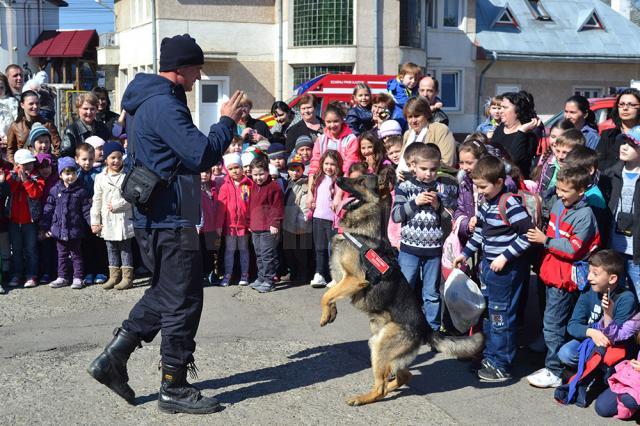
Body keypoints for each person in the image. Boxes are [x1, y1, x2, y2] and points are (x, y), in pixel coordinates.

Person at [88, 34, 244, 415]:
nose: (199, 75)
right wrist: (226, 121)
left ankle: (114, 358)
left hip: (157, 219)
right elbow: (202, 153)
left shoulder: (149, 100)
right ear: (180, 68)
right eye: (196, 68)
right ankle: (173, 387)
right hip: (170, 221)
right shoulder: (164, 105)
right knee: (183, 302)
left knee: (167, 293)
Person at [453, 155, 532, 382]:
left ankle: (502, 364)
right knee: (488, 314)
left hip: (504, 271)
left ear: (499, 182)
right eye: (476, 186)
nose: (479, 191)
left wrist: (505, 257)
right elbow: (480, 233)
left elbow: (529, 235)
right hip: (487, 267)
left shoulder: (509, 203)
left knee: (501, 317)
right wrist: (465, 254)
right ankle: (490, 356)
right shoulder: (487, 203)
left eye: (483, 187)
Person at [525, 166, 601, 388]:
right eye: (558, 188)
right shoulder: (560, 204)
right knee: (554, 321)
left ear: (581, 191)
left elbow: (572, 249)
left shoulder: (585, 216)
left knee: (553, 323)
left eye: (565, 191)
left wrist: (545, 241)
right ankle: (556, 364)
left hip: (566, 276)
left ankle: (554, 370)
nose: (559, 194)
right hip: (552, 271)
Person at [392, 143, 457, 331]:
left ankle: (433, 330)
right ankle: (400, 326)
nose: (429, 173)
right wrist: (415, 202)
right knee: (405, 289)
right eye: (424, 169)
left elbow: (448, 220)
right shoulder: (404, 187)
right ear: (413, 166)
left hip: (433, 251)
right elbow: (396, 215)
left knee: (431, 293)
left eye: (433, 169)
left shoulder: (441, 189)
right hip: (409, 250)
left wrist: (438, 206)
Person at [561, 250, 636, 371]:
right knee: (566, 352)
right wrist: (591, 332)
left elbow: (615, 337)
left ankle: (602, 373)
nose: (589, 277)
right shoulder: (589, 290)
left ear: (612, 279)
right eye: (589, 271)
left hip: (612, 345)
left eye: (595, 274)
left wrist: (607, 314)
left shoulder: (626, 298)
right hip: (592, 338)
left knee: (606, 357)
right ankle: (592, 371)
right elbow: (572, 325)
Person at [600, 127, 640, 301]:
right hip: (614, 249)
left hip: (637, 254)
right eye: (623, 142)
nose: (624, 147)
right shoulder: (610, 175)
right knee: (613, 298)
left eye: (631, 145)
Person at [40, 156, 92, 289]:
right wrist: (44, 226)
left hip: (75, 229)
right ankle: (62, 276)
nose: (71, 176)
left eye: (73, 173)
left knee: (76, 255)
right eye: (67, 173)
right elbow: (49, 209)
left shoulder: (81, 191)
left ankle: (78, 277)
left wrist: (92, 223)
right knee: (61, 255)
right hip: (59, 229)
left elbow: (86, 210)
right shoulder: (55, 190)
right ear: (61, 175)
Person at [90, 142, 135, 290]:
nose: (116, 161)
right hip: (108, 220)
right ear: (106, 160)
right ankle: (114, 276)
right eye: (112, 158)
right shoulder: (100, 177)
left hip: (123, 218)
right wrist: (95, 221)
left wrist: (118, 205)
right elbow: (97, 200)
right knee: (111, 248)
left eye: (119, 157)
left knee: (125, 248)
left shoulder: (127, 175)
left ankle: (127, 277)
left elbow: (132, 196)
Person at [6, 149, 44, 288]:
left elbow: (35, 193)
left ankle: (31, 275)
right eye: (24, 164)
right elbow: (8, 191)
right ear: (17, 165)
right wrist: (18, 178)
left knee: (31, 250)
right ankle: (16, 274)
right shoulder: (11, 176)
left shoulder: (36, 177)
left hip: (30, 221)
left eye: (30, 164)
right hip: (14, 221)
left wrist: (26, 180)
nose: (28, 167)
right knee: (16, 249)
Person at [247, 155, 284, 293]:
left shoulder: (273, 187)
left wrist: (275, 223)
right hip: (256, 227)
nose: (258, 178)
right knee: (259, 254)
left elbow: (277, 207)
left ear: (268, 172)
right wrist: (249, 222)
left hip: (268, 228)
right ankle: (261, 277)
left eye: (261, 174)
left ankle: (269, 280)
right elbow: (251, 206)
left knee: (268, 255)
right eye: (255, 175)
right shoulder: (254, 186)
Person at [215, 152, 251, 287]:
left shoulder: (248, 185)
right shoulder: (224, 187)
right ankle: (227, 275)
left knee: (244, 250)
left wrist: (249, 222)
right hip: (229, 226)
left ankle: (244, 275)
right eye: (230, 169)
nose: (234, 171)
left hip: (243, 226)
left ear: (242, 168)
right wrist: (219, 225)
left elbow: (250, 205)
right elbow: (220, 208)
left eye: (237, 167)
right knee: (229, 251)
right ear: (227, 171)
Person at [309, 150, 342, 288]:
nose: (329, 167)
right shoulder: (318, 177)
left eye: (333, 164)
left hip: (332, 220)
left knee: (334, 249)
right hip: (318, 218)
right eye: (326, 163)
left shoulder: (339, 180)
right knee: (320, 248)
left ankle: (336, 276)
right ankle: (319, 273)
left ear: (338, 165)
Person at [397, 97, 456, 171]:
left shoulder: (440, 130)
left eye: (417, 116)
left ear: (426, 114)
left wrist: (421, 171)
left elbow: (448, 163)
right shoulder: (407, 134)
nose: (413, 120)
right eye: (410, 117)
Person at [307, 102, 358, 188]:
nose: (332, 125)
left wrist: (338, 194)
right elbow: (314, 166)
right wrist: (310, 193)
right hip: (323, 183)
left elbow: (348, 167)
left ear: (342, 119)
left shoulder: (351, 139)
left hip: (344, 183)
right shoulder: (321, 140)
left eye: (336, 121)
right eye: (328, 122)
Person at [491, 91, 539, 179]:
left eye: (505, 107)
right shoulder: (500, 129)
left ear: (517, 111)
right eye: (500, 107)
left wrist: (521, 132)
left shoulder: (528, 137)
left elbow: (514, 160)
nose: (500, 111)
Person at [6, 90, 61, 163]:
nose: (35, 106)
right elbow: (10, 150)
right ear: (22, 105)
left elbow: (58, 147)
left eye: (37, 103)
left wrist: (51, 163)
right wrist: (15, 166)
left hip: (44, 168)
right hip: (24, 168)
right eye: (31, 104)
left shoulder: (48, 124)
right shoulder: (15, 126)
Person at [282, 154, 312, 284]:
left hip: (301, 224)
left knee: (302, 253)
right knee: (290, 251)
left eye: (298, 169)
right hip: (289, 223)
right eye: (292, 169)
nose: (295, 172)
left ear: (302, 170)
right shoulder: (289, 183)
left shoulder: (305, 185)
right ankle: (293, 273)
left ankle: (303, 274)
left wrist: (303, 222)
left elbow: (305, 206)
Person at [596, 88, 640, 171]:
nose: (625, 108)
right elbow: (598, 162)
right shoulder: (608, 135)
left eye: (630, 105)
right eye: (621, 104)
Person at [60, 92, 110, 158]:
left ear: (96, 110)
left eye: (92, 109)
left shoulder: (102, 127)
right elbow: (66, 156)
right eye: (85, 109)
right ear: (78, 109)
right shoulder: (71, 130)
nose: (89, 112)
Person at [36, 153, 57, 284]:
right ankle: (46, 272)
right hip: (41, 218)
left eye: (47, 166)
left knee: (55, 248)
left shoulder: (56, 180)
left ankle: (56, 272)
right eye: (41, 167)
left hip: (55, 218)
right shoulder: (37, 180)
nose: (45, 170)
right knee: (44, 247)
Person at [0, 72, 18, 145]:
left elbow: (17, 121)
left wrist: (10, 139)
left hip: (8, 140)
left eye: (1, 87)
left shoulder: (11, 101)